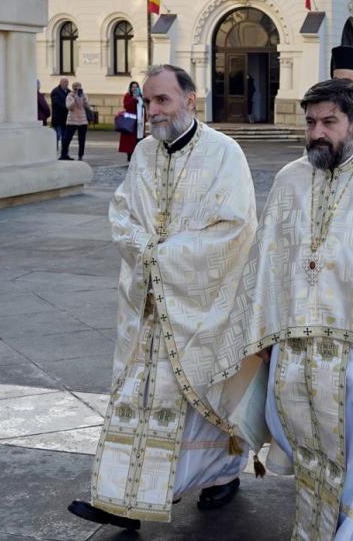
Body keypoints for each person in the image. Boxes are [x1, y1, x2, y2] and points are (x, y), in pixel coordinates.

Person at [208, 79, 353, 540]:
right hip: (297, 353)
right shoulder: (290, 179)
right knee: (310, 458)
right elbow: (266, 264)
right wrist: (263, 335)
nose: (318, 132)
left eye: (329, 122)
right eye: (311, 122)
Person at [68, 64, 262, 530]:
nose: (152, 110)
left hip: (203, 302)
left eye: (162, 100)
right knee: (138, 398)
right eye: (148, 101)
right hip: (147, 304)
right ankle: (124, 498)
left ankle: (221, 476)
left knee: (198, 401)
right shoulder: (143, 154)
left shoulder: (224, 153)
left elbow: (236, 227)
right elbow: (122, 212)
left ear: (190, 100)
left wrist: (166, 256)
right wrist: (144, 250)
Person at [62, 82, 92, 161]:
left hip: (82, 120)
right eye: (76, 88)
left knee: (82, 139)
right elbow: (69, 107)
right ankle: (64, 154)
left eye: (79, 88)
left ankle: (80, 155)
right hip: (72, 120)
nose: (77, 90)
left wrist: (85, 101)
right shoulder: (70, 96)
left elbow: (87, 107)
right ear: (73, 88)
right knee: (68, 138)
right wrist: (75, 99)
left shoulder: (84, 95)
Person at [119, 81, 145, 162]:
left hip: (140, 122)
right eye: (133, 87)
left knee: (139, 139)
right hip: (131, 121)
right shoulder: (128, 96)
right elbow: (126, 106)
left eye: (136, 87)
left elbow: (143, 107)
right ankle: (130, 157)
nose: (134, 88)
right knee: (130, 141)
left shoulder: (141, 96)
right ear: (130, 88)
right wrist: (133, 99)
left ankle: (138, 157)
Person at [50, 77, 69, 153]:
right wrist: (66, 107)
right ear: (60, 83)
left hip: (66, 119)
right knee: (57, 136)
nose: (66, 84)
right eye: (64, 83)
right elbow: (56, 103)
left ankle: (64, 152)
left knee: (65, 137)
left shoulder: (68, 91)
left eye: (67, 83)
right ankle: (54, 151)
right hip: (58, 118)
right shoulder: (55, 91)